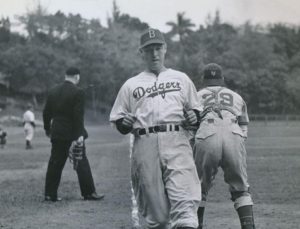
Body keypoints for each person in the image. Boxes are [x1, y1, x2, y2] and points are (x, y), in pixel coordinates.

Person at [110, 28, 202, 229]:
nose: (154, 54)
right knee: (158, 217)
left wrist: (194, 116)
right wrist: (123, 124)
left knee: (185, 205)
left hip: (177, 139)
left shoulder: (181, 79)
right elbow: (118, 118)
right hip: (145, 143)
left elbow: (196, 110)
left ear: (165, 49)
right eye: (148, 49)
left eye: (158, 48)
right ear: (141, 53)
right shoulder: (131, 85)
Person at [193, 63, 255, 229]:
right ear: (222, 79)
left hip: (207, 132)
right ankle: (248, 226)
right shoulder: (236, 96)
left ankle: (197, 225)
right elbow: (244, 125)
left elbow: (190, 126)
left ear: (204, 79)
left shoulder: (196, 95)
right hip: (233, 132)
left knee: (197, 187)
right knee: (241, 188)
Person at [43, 67, 104, 202]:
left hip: (57, 132)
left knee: (55, 162)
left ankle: (49, 194)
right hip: (71, 133)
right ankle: (89, 193)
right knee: (81, 162)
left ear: (66, 76)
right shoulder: (78, 92)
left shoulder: (53, 91)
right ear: (77, 77)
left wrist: (48, 129)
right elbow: (78, 116)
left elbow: (46, 112)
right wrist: (79, 135)